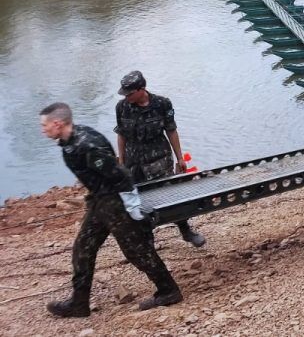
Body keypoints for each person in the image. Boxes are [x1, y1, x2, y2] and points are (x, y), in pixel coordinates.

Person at [40, 102, 182, 318]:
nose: (43, 130)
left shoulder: (86, 145)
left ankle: (168, 290)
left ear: (57, 124)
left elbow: (119, 174)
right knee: (83, 249)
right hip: (99, 202)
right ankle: (79, 304)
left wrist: (132, 203)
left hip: (115, 203)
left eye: (45, 125)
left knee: (136, 251)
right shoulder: (71, 140)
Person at [113, 71, 205, 247]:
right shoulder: (122, 107)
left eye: (130, 93)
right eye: (124, 94)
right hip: (134, 163)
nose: (127, 97)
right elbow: (121, 134)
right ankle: (146, 241)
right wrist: (121, 161)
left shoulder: (162, 104)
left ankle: (186, 232)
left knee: (170, 197)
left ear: (142, 89)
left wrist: (180, 158)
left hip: (159, 161)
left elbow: (171, 130)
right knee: (136, 201)